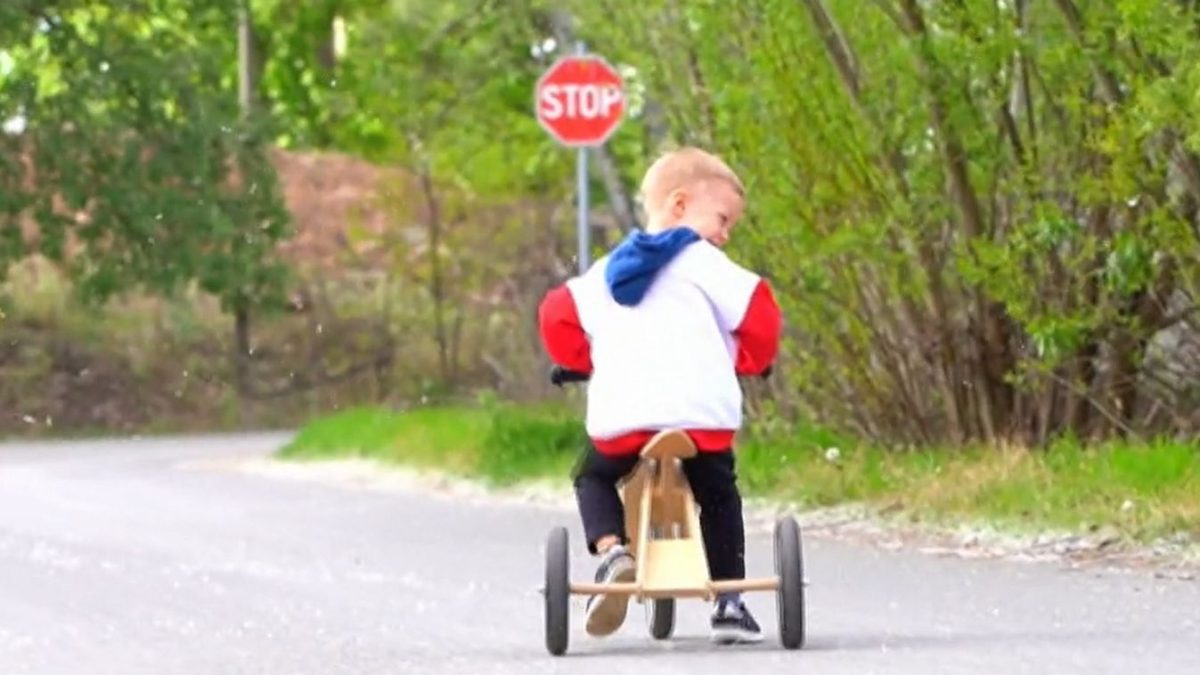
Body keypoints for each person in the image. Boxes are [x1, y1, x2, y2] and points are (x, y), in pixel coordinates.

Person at [537, 146, 782, 644]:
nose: (725, 233)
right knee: (718, 491)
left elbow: (556, 313)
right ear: (679, 204)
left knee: (592, 476)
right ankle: (730, 599)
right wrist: (750, 359)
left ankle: (611, 553)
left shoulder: (605, 272)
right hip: (701, 420)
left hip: (626, 417)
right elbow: (761, 311)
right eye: (722, 218)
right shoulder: (707, 265)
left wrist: (583, 360)